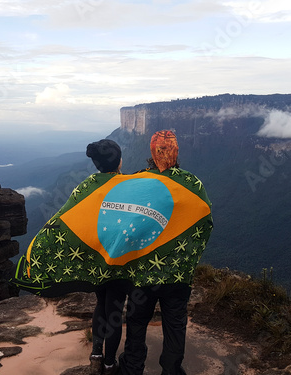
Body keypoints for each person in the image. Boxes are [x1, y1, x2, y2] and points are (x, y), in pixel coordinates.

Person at [119, 130, 213, 375]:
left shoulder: (137, 182)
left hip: (142, 273)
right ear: (176, 151)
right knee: (175, 324)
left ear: (152, 152)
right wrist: (190, 257)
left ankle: (132, 368)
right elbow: (205, 223)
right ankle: (171, 370)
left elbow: (125, 223)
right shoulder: (192, 184)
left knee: (137, 322)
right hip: (177, 274)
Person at [86, 139, 129, 375]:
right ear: (119, 161)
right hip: (120, 259)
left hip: (96, 258)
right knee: (114, 309)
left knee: (100, 303)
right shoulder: (129, 186)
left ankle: (95, 354)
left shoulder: (86, 187)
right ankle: (110, 363)